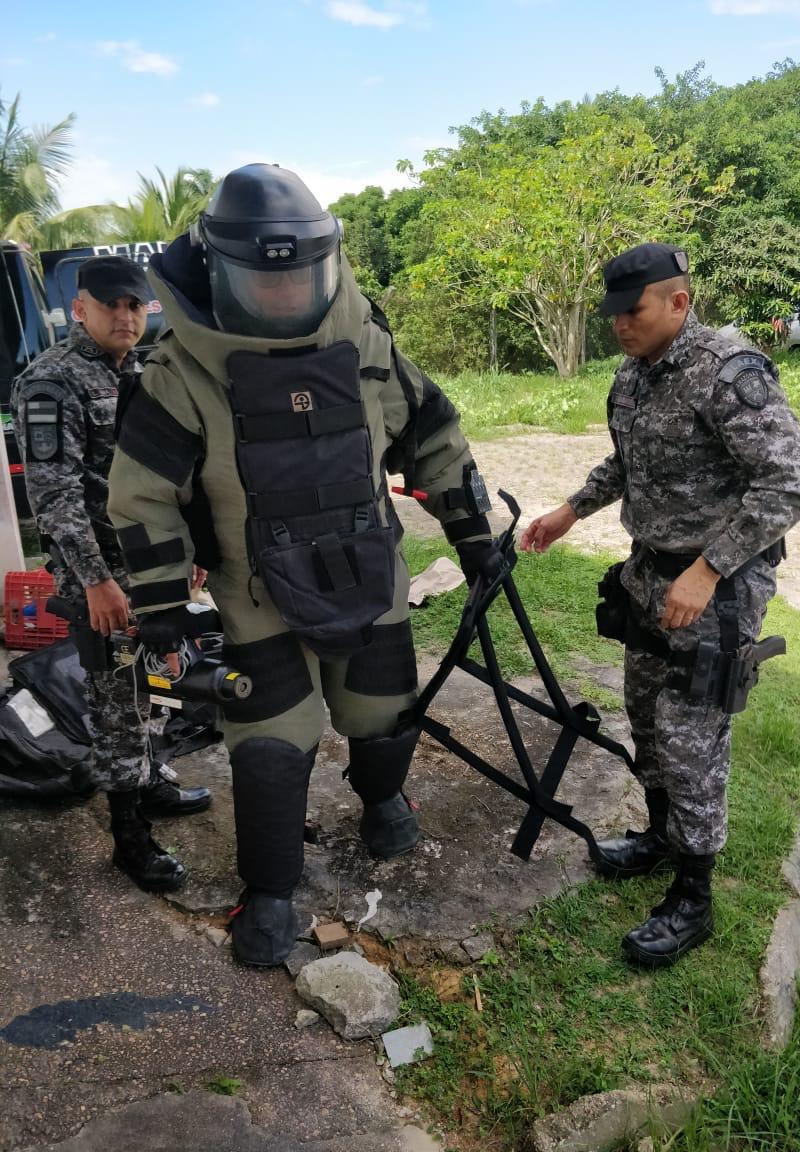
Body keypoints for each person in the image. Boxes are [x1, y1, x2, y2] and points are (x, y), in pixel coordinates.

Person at [106, 164, 499, 966]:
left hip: (370, 572)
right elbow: (142, 498)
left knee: (381, 708)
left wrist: (473, 535)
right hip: (255, 594)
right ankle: (273, 893)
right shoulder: (180, 372)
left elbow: (433, 436)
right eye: (264, 281)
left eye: (300, 277)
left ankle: (384, 798)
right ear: (221, 272)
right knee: (272, 742)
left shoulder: (366, 343)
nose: (284, 295)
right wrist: (162, 609)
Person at [521, 242, 800, 968]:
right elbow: (628, 462)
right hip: (649, 578)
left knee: (691, 739)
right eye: (613, 313)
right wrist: (571, 510)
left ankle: (695, 896)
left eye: (635, 310)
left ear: (679, 303)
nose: (620, 324)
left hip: (717, 589)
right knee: (647, 716)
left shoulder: (727, 373)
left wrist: (709, 570)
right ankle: (659, 836)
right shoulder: (632, 376)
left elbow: (789, 484)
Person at [12, 256, 212, 894]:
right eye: (111, 305)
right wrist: (97, 581)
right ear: (80, 309)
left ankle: (149, 782)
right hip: (102, 575)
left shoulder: (148, 371)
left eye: (136, 305)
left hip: (156, 565)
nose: (126, 316)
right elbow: (56, 495)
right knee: (117, 701)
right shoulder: (50, 382)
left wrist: (193, 547)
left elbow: (176, 471)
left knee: (158, 680)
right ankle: (130, 838)